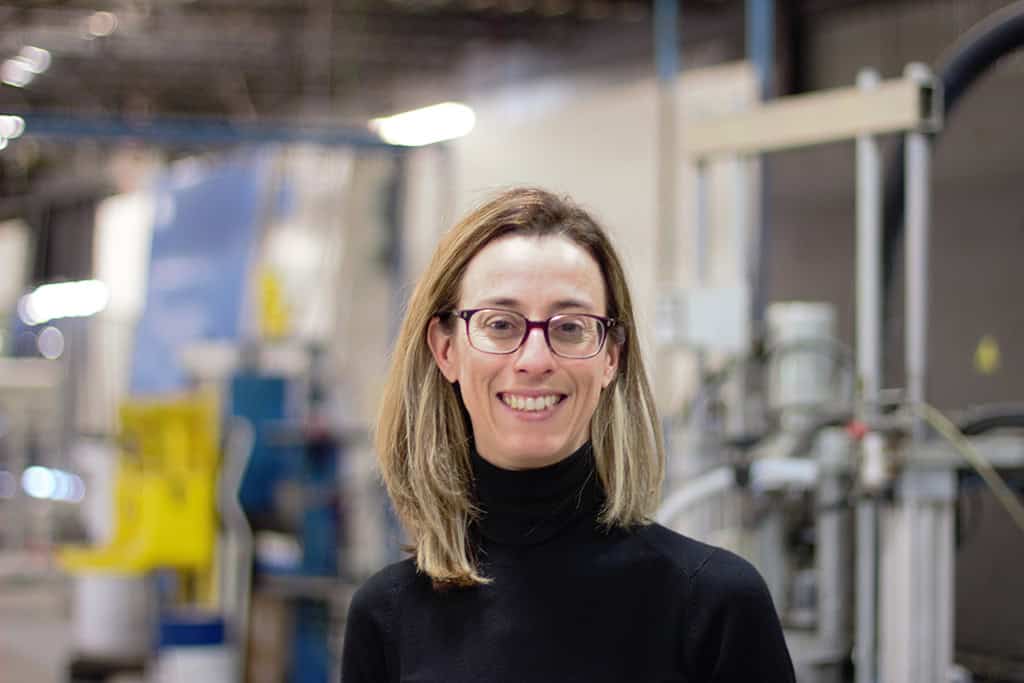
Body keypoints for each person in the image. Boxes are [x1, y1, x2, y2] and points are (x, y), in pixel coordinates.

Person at [341, 187, 795, 682]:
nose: (535, 359)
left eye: (571, 328)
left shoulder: (713, 605)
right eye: (500, 324)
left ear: (610, 357)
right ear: (446, 349)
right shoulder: (385, 618)